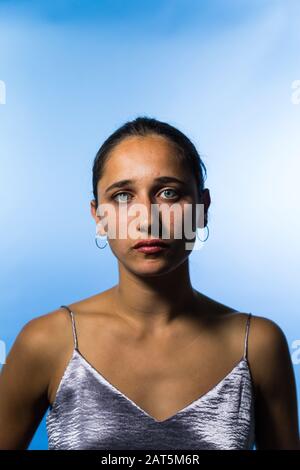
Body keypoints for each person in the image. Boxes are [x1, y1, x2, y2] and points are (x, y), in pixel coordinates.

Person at [0, 116, 299, 450]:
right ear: (98, 217)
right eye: (123, 196)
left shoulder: (257, 344)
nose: (148, 219)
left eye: (168, 193)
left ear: (202, 208)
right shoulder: (46, 342)